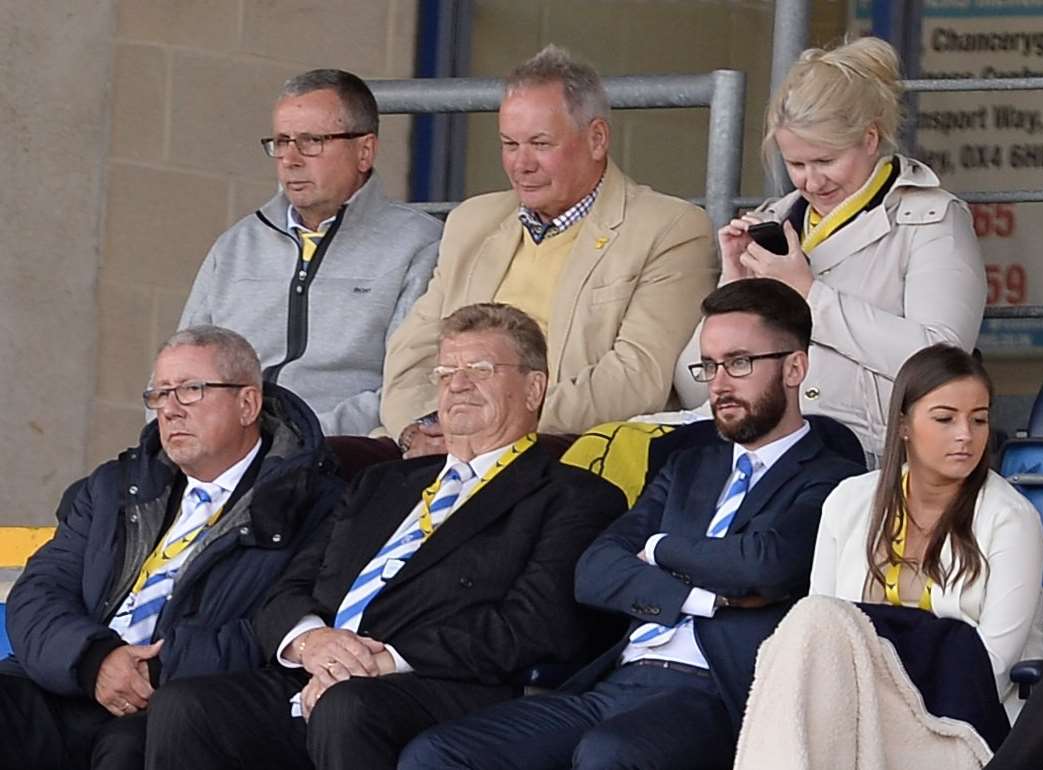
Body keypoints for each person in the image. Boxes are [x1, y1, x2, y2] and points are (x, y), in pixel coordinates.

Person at [399, 278, 863, 770]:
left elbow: (765, 563)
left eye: (740, 363)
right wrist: (701, 596)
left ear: (795, 367)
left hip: (719, 693)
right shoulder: (688, 466)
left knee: (609, 754)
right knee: (437, 754)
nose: (720, 384)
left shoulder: (833, 475)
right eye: (708, 366)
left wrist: (659, 548)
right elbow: (595, 569)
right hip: (619, 680)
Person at [144, 303, 628, 770]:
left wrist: (382, 661)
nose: (457, 385)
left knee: (349, 708)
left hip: (445, 684)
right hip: (321, 674)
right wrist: (311, 644)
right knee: (186, 706)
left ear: (533, 388)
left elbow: (534, 626)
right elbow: (286, 590)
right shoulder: (385, 482)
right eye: (444, 373)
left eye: (480, 369)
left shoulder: (573, 496)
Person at [0, 326, 345, 770]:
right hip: (74, 677)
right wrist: (94, 659)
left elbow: (273, 626)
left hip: (170, 696)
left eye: (191, 390)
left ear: (247, 404)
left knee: (128, 749)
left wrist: (152, 672)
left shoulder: (311, 503)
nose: (170, 411)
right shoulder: (114, 486)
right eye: (160, 394)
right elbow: (39, 592)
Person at [644, 37, 986, 465]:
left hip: (862, 452)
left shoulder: (932, 220)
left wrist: (811, 295)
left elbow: (944, 364)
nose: (811, 181)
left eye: (825, 161)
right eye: (796, 165)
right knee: (604, 450)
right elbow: (695, 389)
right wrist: (733, 287)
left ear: (869, 138)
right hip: (750, 440)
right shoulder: (777, 220)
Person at [382, 44, 717, 455]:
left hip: (558, 452)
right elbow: (411, 352)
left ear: (597, 139)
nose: (521, 164)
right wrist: (416, 428)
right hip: (440, 445)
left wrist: (492, 428)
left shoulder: (670, 228)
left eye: (540, 144)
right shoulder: (472, 221)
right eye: (509, 144)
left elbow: (636, 379)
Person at [732, 344, 1043, 770]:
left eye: (979, 419)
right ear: (903, 425)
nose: (966, 435)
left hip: (952, 721)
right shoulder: (849, 500)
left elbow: (992, 668)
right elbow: (820, 627)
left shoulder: (1011, 518)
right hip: (852, 713)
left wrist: (881, 707)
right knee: (812, 622)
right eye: (945, 418)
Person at [179, 69, 442, 436]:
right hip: (227, 453)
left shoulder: (418, 244)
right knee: (92, 493)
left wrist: (300, 442)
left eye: (311, 141)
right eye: (282, 141)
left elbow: (406, 385)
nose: (290, 158)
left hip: (341, 459)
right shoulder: (236, 246)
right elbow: (181, 371)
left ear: (364, 151)